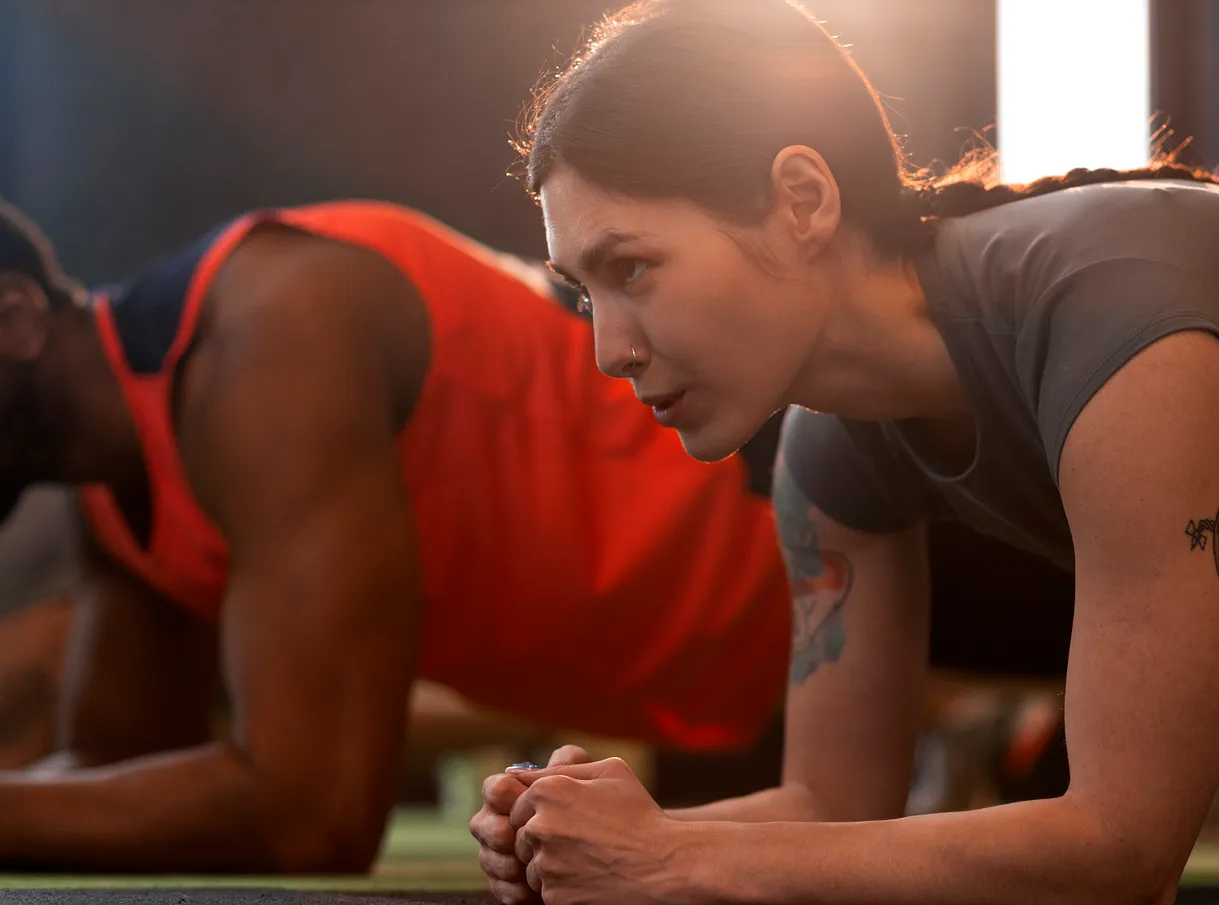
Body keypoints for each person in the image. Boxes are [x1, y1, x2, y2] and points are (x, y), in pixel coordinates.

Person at [470, 1, 1219, 902]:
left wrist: (671, 861)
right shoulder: (829, 450)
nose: (607, 350)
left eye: (633, 269)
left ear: (803, 201)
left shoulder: (1119, 330)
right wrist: (585, 835)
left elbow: (1125, 851)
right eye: (585, 293)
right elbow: (831, 804)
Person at [0, 196, 793, 873]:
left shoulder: (273, 328)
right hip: (738, 691)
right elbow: (116, 783)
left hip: (817, 543)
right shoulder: (113, 485)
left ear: (17, 319)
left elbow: (314, 813)